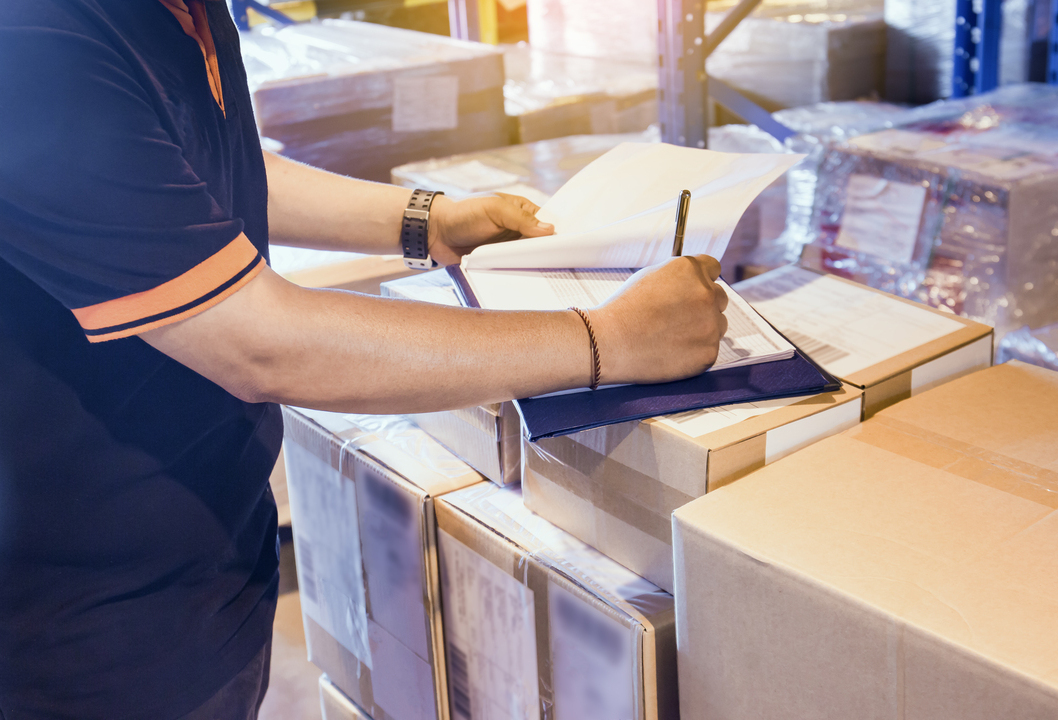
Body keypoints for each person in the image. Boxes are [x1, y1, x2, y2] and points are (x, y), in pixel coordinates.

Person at [0, 1, 729, 718]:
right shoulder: (31, 36)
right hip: (78, 624)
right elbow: (262, 340)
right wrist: (608, 340)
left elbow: (187, 170)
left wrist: (424, 220)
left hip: (206, 549)